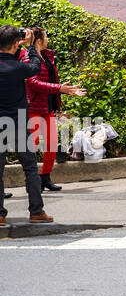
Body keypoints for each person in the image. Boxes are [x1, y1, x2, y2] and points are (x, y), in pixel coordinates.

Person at [20, 28, 84, 193]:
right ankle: (31, 181)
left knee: (52, 144)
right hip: (33, 107)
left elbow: (51, 81)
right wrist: (59, 88)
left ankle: (45, 178)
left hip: (46, 107)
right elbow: (33, 83)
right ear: (38, 40)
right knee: (31, 147)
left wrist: (66, 90)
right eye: (46, 36)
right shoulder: (27, 57)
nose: (48, 39)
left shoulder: (46, 56)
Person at [0, 26, 50, 226]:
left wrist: (16, 45)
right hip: (19, 123)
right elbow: (36, 66)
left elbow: (7, 57)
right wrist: (30, 46)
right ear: (15, 44)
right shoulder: (19, 68)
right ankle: (36, 212)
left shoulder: (11, 64)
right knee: (30, 168)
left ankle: (0, 215)